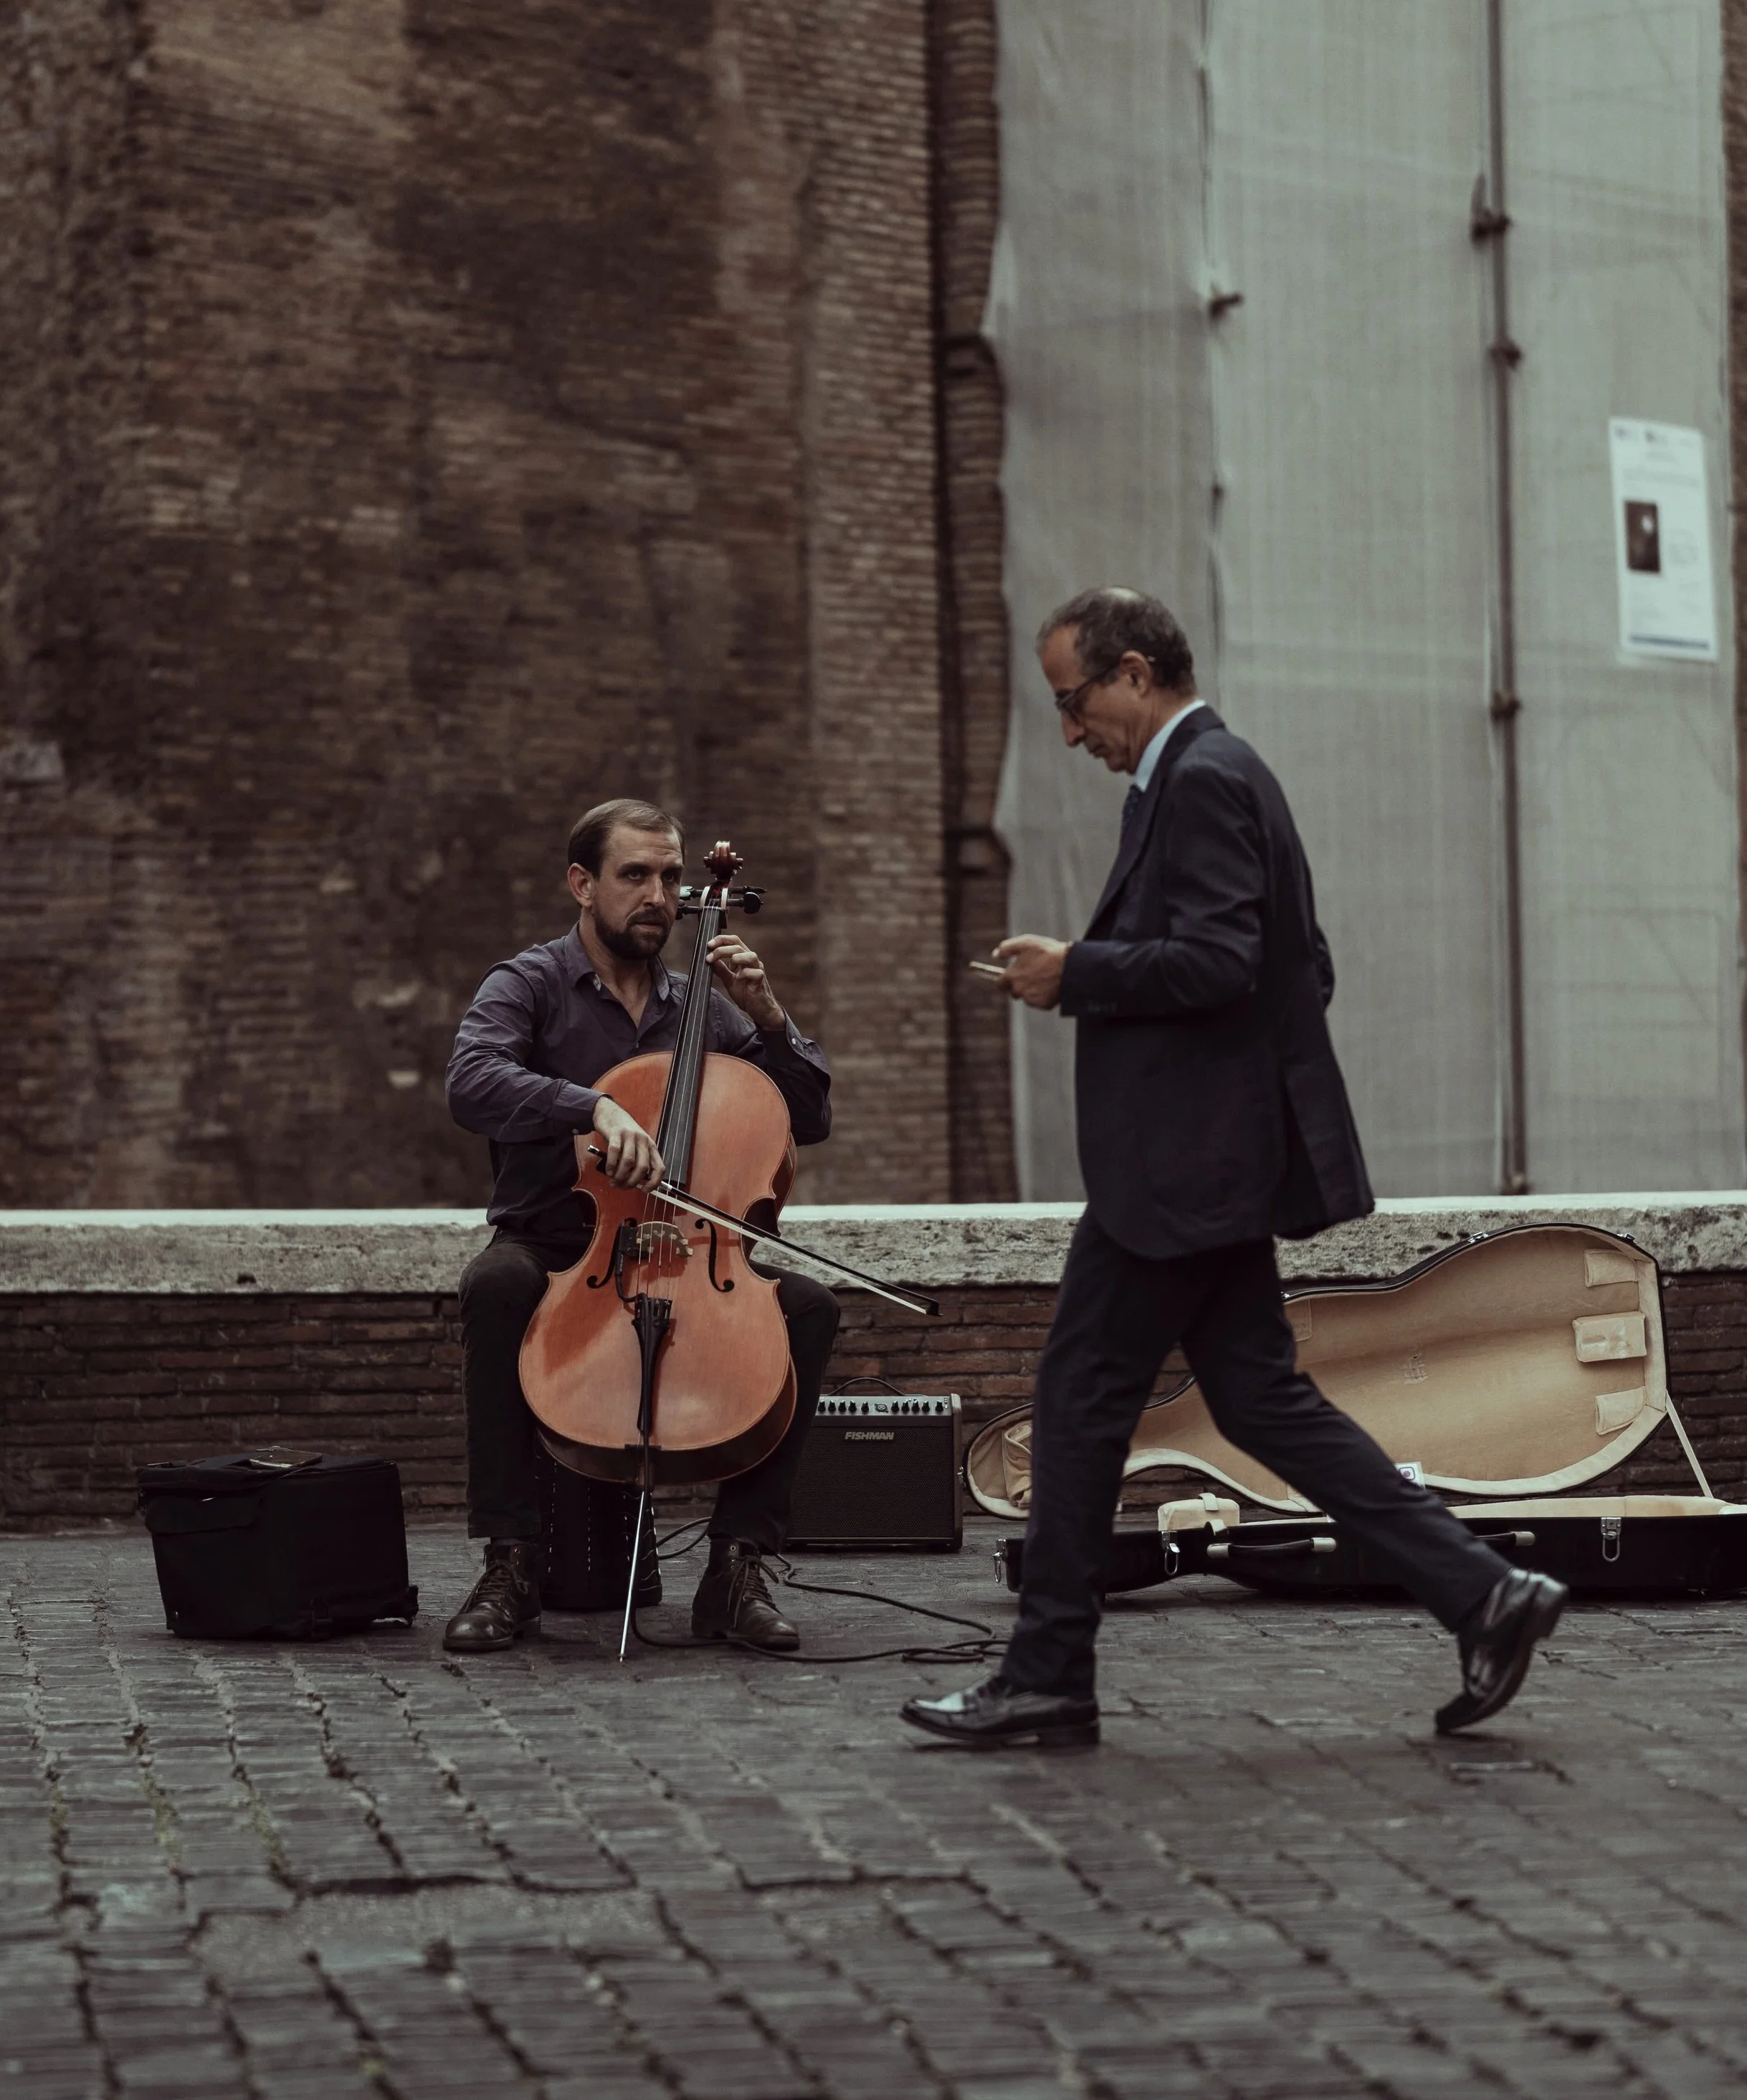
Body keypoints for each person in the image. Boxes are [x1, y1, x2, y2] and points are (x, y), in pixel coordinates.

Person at [902, 586, 1566, 1749]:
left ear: (1136, 673)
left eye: (1074, 701)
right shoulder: (1221, 774)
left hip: (1176, 1180)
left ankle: (1049, 1671)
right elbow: (1300, 966)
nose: (1068, 732)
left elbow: (1222, 958)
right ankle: (1481, 1591)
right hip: (1205, 1170)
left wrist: (1083, 973)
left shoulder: (1201, 779)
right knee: (1264, 1401)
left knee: (1075, 1399)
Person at [443, 797, 839, 1655]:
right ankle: (510, 1561)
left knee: (805, 1307)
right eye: (635, 875)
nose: (658, 894)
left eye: (669, 875)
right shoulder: (530, 983)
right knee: (494, 1282)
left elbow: (803, 1119)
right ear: (582, 884)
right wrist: (591, 1107)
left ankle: (736, 1568)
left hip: (687, 1249)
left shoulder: (700, 1007)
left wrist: (769, 1016)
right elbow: (470, 1081)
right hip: (561, 1245)